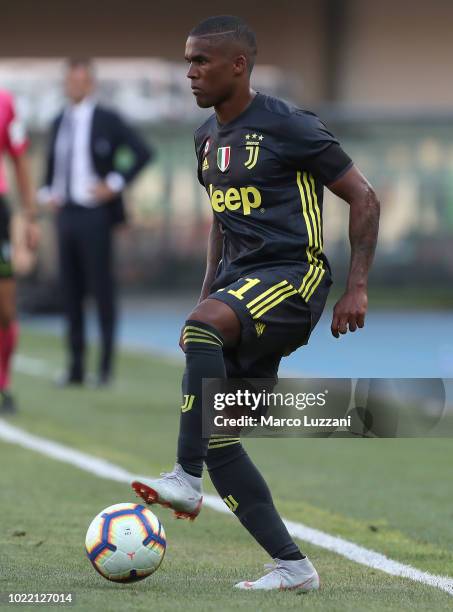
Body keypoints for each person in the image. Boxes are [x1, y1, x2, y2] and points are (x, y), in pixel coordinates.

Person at [132, 15, 380, 591]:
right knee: (223, 436)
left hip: (293, 279)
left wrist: (358, 285)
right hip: (240, 287)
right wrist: (206, 296)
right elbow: (222, 219)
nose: (189, 73)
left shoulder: (290, 125)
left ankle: (184, 478)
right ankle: (294, 567)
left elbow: (363, 196)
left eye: (201, 62)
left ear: (238, 66)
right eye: (187, 61)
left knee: (202, 336)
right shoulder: (206, 138)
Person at [39, 59, 153, 386]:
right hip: (66, 214)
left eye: (78, 81)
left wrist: (114, 184)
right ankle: (75, 366)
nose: (72, 87)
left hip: (95, 214)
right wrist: (47, 191)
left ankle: (104, 368)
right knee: (70, 291)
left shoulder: (107, 119)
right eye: (68, 81)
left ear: (90, 84)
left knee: (101, 290)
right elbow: (53, 167)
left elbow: (142, 151)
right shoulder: (58, 120)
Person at [0, 89, 39, 413]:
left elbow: (19, 160)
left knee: (5, 308)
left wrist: (30, 217)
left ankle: (4, 383)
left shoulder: (6, 102)